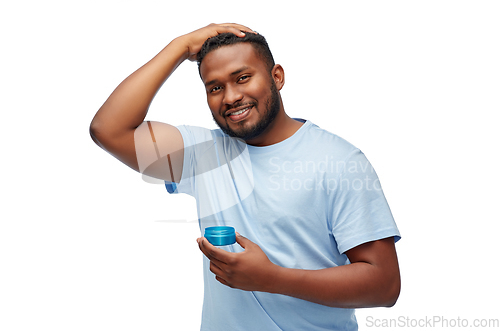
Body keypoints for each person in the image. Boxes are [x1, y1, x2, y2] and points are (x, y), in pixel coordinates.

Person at [90, 23, 401, 331]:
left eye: (242, 78)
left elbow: (384, 285)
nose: (230, 97)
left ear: (276, 77)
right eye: (215, 87)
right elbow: (109, 130)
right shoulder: (204, 154)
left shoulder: (340, 161)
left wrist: (271, 278)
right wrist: (180, 46)